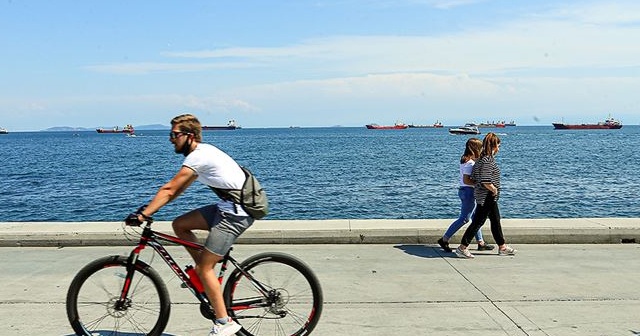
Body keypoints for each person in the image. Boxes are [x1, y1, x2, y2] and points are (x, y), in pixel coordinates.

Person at [125, 113, 255, 336]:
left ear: (190, 136)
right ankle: (205, 280)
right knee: (180, 225)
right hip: (227, 207)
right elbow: (178, 190)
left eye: (174, 135)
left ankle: (225, 322)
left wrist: (143, 215)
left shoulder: (198, 157)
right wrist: (151, 208)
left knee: (205, 267)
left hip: (236, 213)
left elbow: (169, 189)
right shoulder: (201, 154)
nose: (170, 139)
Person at [454, 132, 516, 259]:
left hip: (486, 195)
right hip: (487, 196)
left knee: (495, 220)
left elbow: (477, 177)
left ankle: (502, 246)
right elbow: (485, 180)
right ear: (494, 146)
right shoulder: (487, 160)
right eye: (498, 145)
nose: (499, 148)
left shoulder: (481, 159)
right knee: (478, 222)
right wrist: (494, 190)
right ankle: (462, 247)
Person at [437, 138, 494, 252]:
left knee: (475, 218)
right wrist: (480, 183)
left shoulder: (465, 160)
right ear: (476, 149)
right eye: (480, 148)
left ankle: (480, 242)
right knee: (464, 219)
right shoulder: (470, 163)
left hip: (464, 191)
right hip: (468, 192)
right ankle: (444, 239)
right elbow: (467, 180)